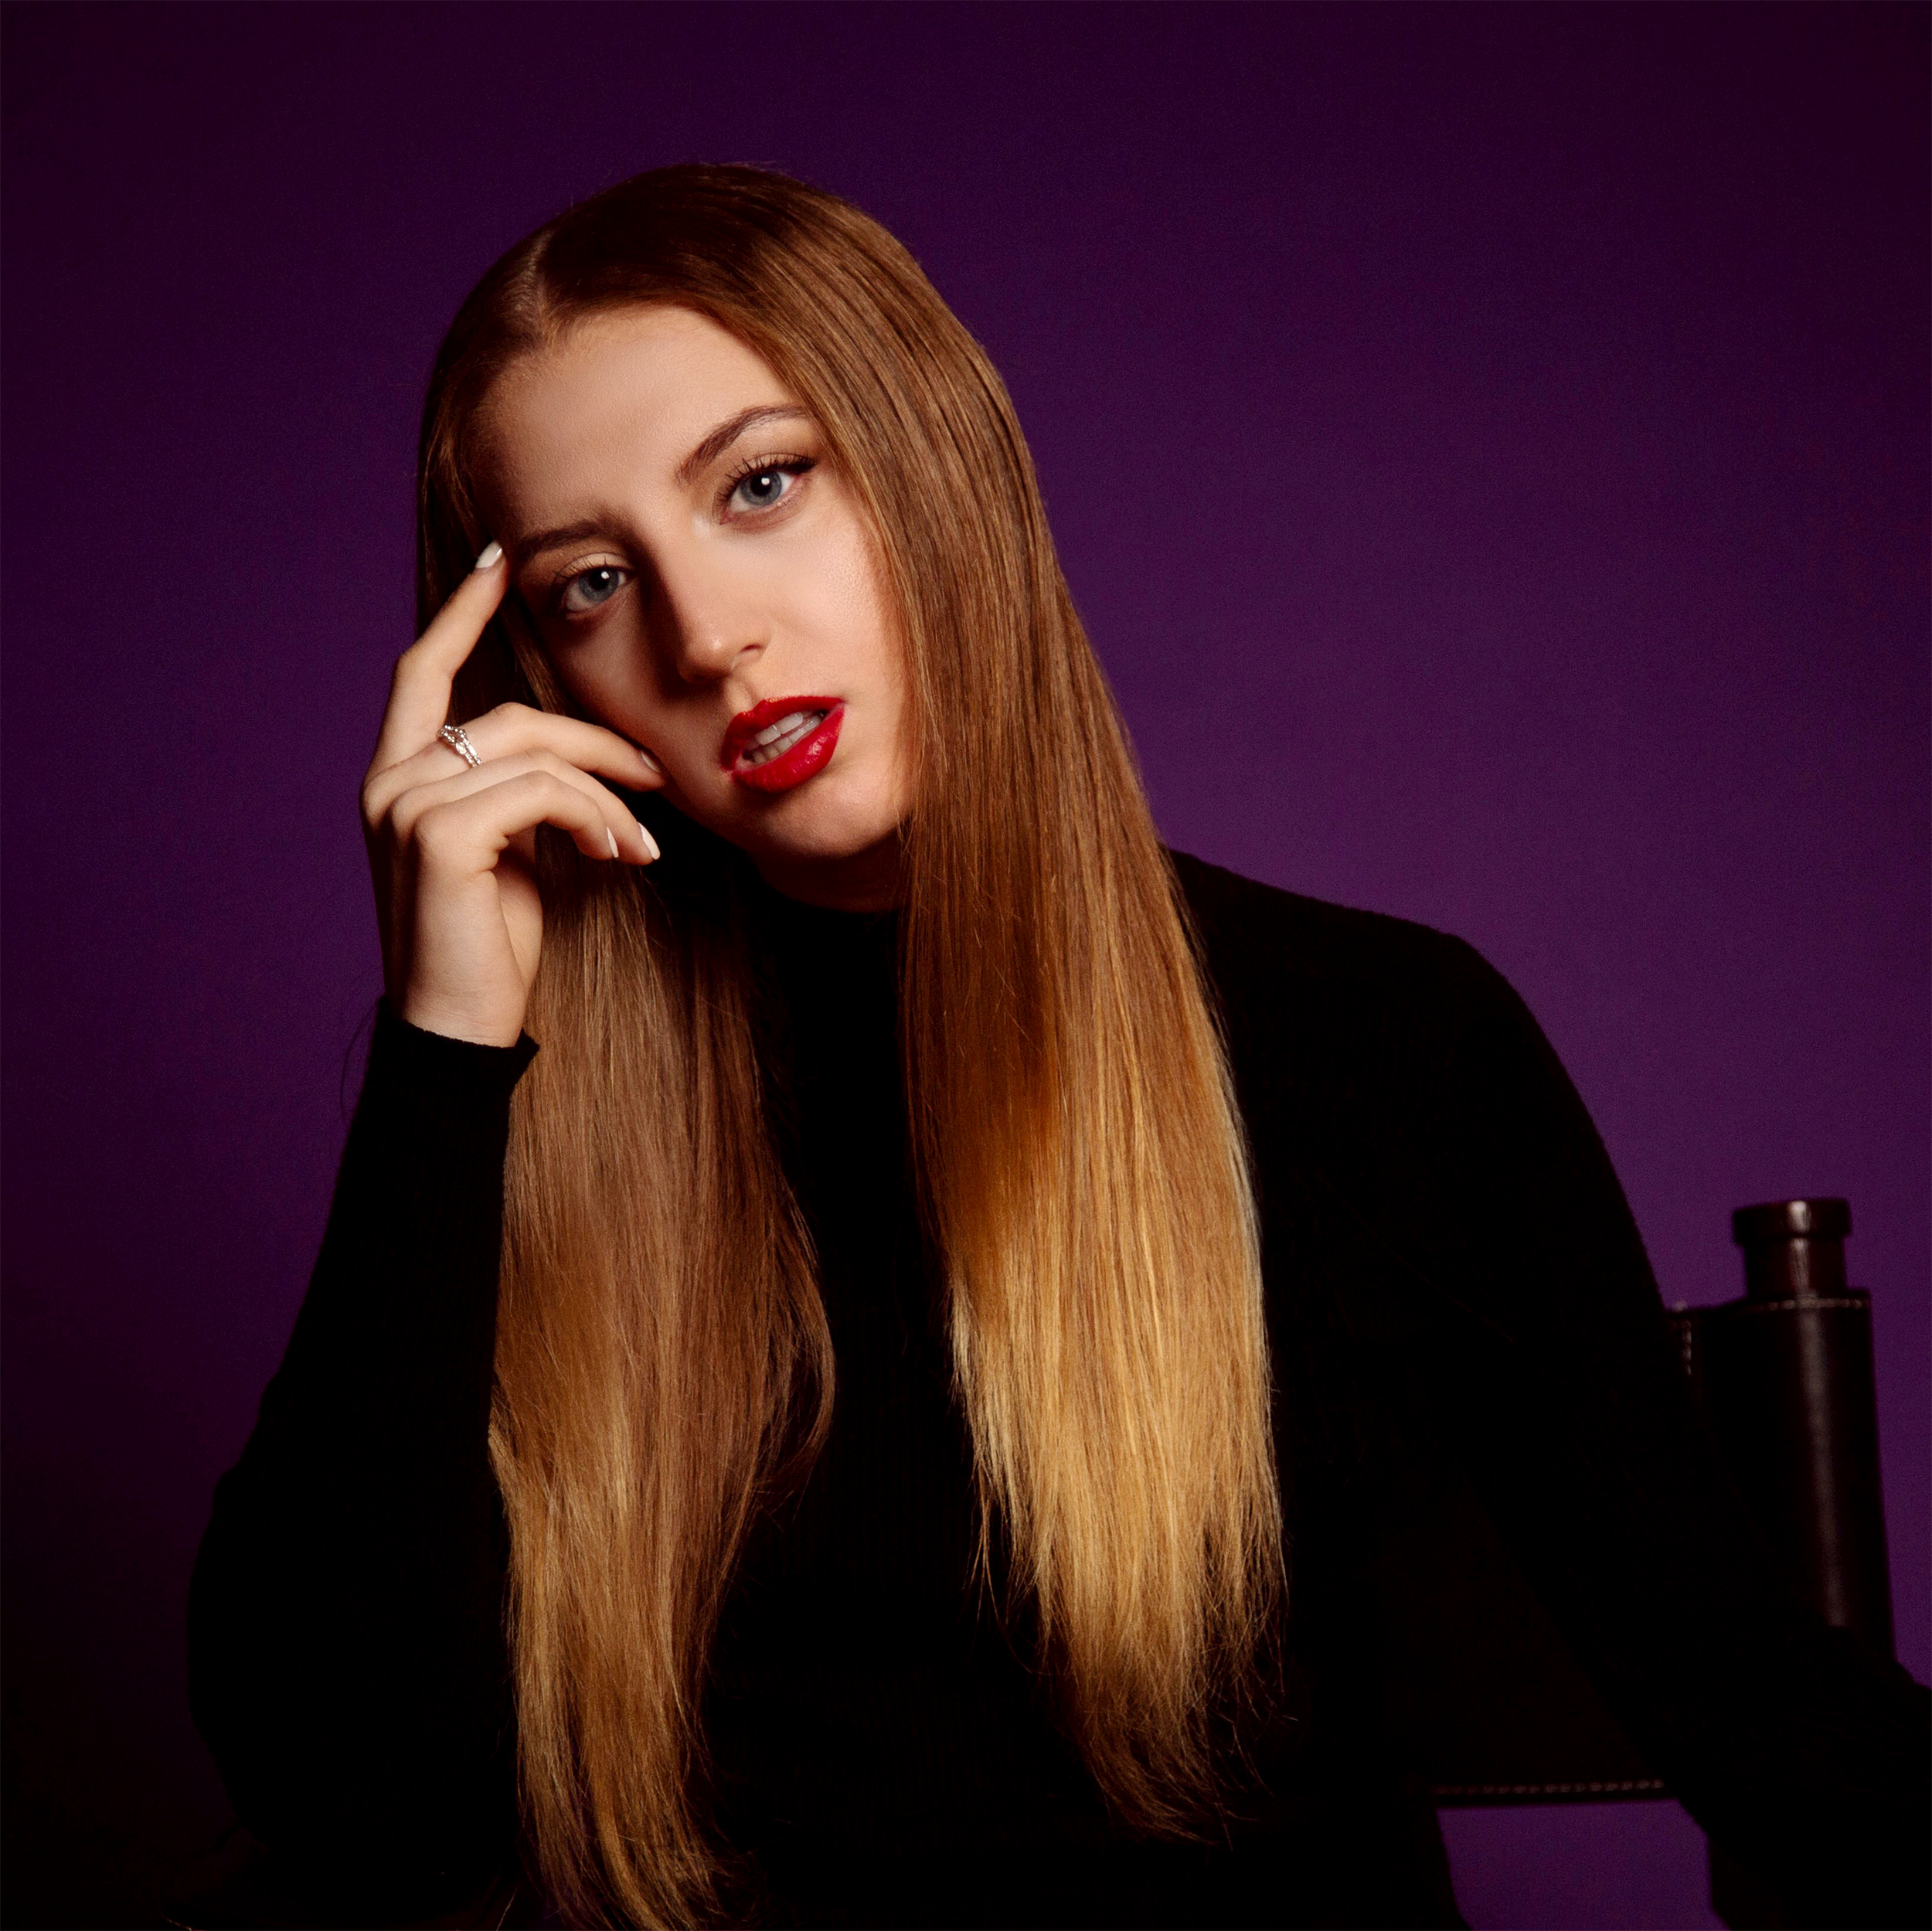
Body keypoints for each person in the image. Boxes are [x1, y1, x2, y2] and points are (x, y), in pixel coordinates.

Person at [189, 165, 1932, 1931]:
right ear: (542, 694)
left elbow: (1749, 1707)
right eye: (586, 584)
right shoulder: (512, 1125)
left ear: (940, 464)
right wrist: (444, 1041)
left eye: (763, 485)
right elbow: (347, 1798)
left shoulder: (1382, 1046)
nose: (707, 636)